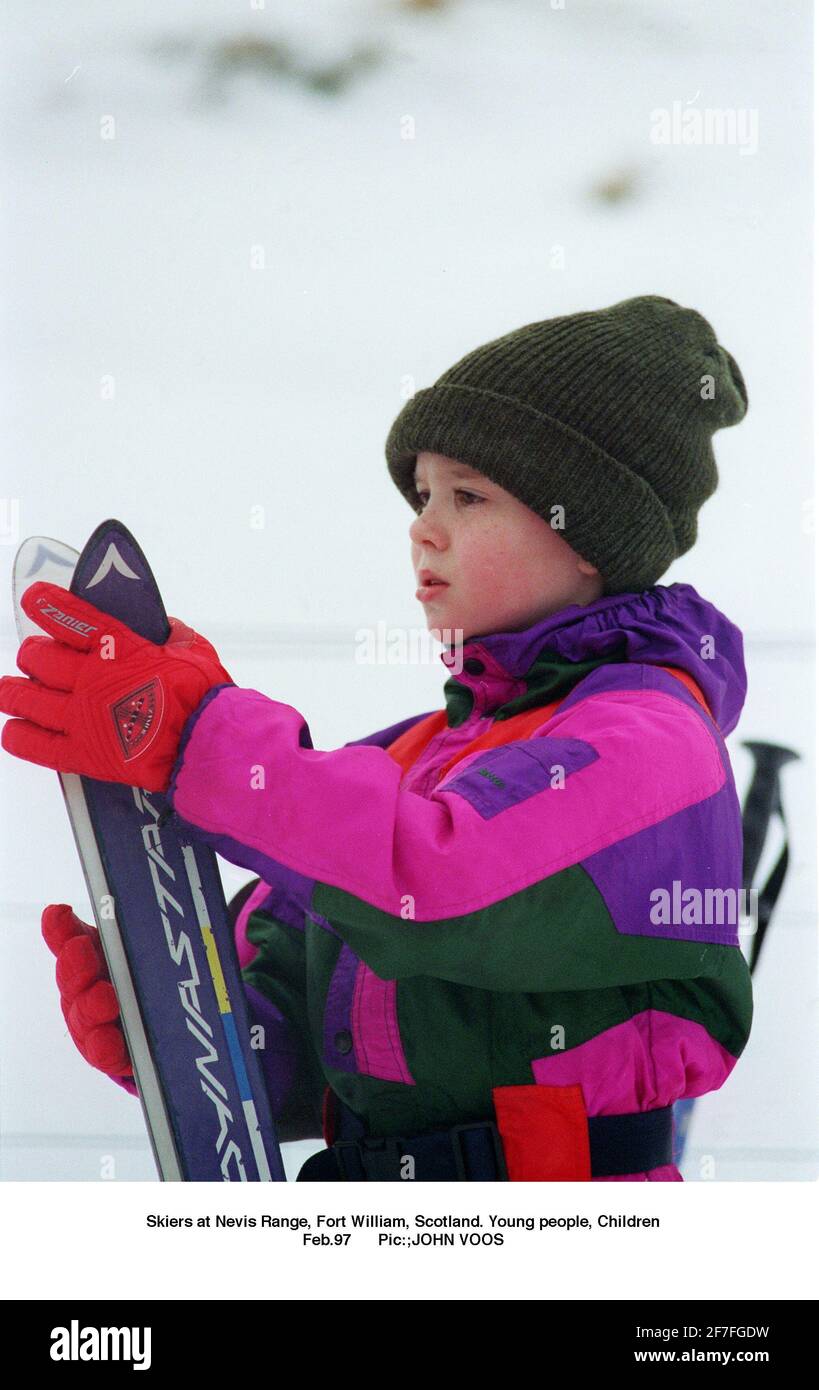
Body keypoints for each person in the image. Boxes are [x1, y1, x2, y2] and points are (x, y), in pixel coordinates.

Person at [0, 294, 753, 1181]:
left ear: (585, 535)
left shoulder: (652, 745)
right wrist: (176, 1026)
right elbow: (317, 1050)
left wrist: (201, 739)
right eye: (423, 493)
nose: (422, 527)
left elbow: (437, 879)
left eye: (468, 496)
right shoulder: (415, 758)